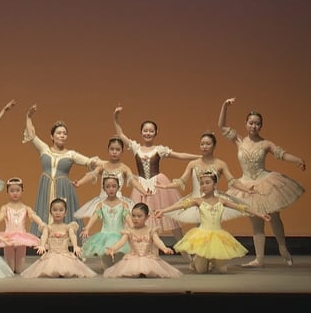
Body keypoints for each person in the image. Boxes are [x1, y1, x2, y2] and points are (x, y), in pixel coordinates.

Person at [218, 97, 306, 268]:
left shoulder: (266, 144)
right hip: (247, 184)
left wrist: (297, 160)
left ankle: (282, 248)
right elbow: (221, 126)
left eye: (257, 124)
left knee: (274, 217)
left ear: (261, 126)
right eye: (251, 123)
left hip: (264, 181)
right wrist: (225, 106)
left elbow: (282, 154)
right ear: (245, 124)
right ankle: (259, 259)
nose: (254, 126)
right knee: (256, 222)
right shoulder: (239, 140)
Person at [113, 104, 199, 258]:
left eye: (151, 131)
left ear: (156, 132)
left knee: (174, 224)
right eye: (145, 130)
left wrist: (199, 157)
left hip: (158, 186)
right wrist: (116, 117)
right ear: (141, 132)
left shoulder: (159, 149)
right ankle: (149, 256)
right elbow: (120, 134)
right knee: (144, 223)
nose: (148, 133)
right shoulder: (136, 148)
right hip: (141, 187)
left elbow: (179, 155)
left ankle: (188, 258)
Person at [153, 170, 272, 274]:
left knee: (222, 270)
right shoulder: (198, 201)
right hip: (202, 236)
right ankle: (196, 261)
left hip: (218, 236)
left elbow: (241, 207)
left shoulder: (222, 201)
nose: (204, 186)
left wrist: (260, 214)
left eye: (207, 183)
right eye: (202, 183)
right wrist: (163, 210)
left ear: (215, 185)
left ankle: (212, 261)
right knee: (201, 270)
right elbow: (180, 205)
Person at [22, 104, 99, 234]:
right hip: (46, 186)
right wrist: (28, 117)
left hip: (63, 187)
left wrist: (106, 163)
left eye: (64, 133)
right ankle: (44, 238)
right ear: (52, 136)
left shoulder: (71, 154)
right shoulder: (44, 149)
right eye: (59, 133)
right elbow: (32, 136)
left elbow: (89, 161)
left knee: (62, 215)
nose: (62, 135)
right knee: (44, 211)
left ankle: (65, 240)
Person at [155, 131, 253, 224]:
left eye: (208, 144)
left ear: (214, 146)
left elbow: (232, 181)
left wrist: (247, 190)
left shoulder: (220, 164)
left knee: (212, 225)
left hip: (214, 201)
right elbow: (181, 181)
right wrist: (166, 186)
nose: (204, 146)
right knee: (200, 229)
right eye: (202, 144)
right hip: (196, 201)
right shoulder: (193, 164)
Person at [0, 177, 46, 274]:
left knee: (19, 270)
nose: (15, 193)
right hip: (8, 239)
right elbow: (0, 216)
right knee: (10, 269)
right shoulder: (5, 208)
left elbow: (33, 216)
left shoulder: (26, 208)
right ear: (7, 192)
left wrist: (41, 223)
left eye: (17, 190)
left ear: (22, 191)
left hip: (22, 238)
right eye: (12, 191)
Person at [20, 198, 97, 278]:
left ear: (65, 212)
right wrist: (42, 245)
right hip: (51, 255)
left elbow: (73, 236)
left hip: (65, 255)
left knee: (67, 270)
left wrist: (75, 246)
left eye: (61, 210)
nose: (58, 213)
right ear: (50, 212)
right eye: (55, 210)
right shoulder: (48, 227)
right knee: (50, 270)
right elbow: (44, 236)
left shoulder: (68, 227)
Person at [102, 202, 183, 278]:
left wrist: (164, 248)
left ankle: (144, 272)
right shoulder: (129, 231)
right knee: (132, 270)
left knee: (149, 270)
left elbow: (157, 241)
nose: (135, 219)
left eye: (139, 216)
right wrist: (113, 249)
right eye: (133, 216)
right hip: (133, 258)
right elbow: (121, 242)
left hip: (148, 258)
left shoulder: (150, 230)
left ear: (147, 217)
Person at [73, 136, 141, 220]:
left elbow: (133, 181)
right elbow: (91, 175)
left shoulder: (124, 168)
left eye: (117, 149)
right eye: (112, 149)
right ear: (108, 150)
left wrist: (144, 191)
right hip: (103, 199)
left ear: (122, 151)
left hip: (117, 200)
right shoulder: (103, 166)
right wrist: (79, 182)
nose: (114, 152)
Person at [78, 173, 133, 271]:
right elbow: (94, 217)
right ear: (104, 188)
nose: (111, 189)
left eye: (114, 186)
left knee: (119, 264)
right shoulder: (101, 205)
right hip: (104, 235)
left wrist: (134, 229)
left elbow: (128, 218)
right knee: (107, 266)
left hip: (119, 235)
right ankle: (106, 264)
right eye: (108, 187)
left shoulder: (123, 204)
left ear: (118, 187)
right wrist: (87, 228)